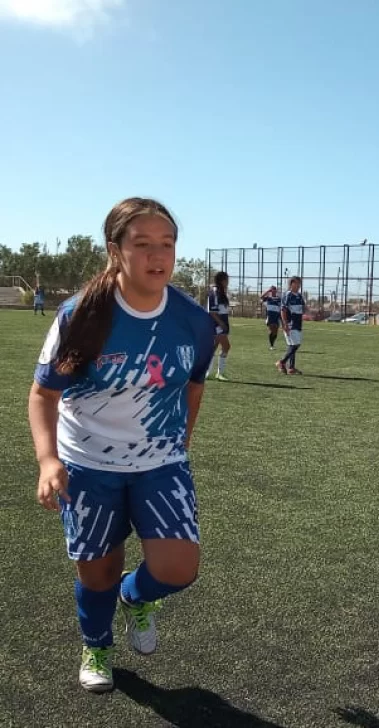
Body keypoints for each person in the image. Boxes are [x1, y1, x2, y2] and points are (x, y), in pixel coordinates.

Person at [27, 197, 216, 693]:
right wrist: (49, 461)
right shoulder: (83, 316)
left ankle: (137, 597)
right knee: (98, 572)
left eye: (168, 245)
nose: (158, 256)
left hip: (161, 461)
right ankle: (97, 645)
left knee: (178, 568)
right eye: (143, 244)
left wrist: (181, 442)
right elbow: (44, 393)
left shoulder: (193, 322)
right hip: (87, 464)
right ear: (115, 251)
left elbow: (194, 384)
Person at [277, 276, 305, 374]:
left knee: (292, 345)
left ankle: (291, 368)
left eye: (300, 283)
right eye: (297, 283)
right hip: (290, 323)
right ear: (291, 283)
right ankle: (281, 362)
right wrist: (285, 324)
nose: (299, 285)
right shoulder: (287, 295)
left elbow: (303, 308)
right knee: (296, 344)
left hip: (298, 323)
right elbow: (283, 310)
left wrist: (311, 314)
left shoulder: (299, 296)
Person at [207, 271, 231, 381]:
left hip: (223, 322)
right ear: (222, 280)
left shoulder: (222, 292)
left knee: (213, 348)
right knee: (226, 346)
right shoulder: (214, 291)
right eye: (226, 280)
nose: (228, 282)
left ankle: (207, 373)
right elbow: (212, 311)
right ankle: (218, 373)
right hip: (216, 324)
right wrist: (221, 323)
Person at [260, 285, 282, 350]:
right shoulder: (268, 298)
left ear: (276, 291)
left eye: (274, 290)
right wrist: (267, 291)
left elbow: (282, 306)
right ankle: (271, 346)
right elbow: (261, 297)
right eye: (271, 290)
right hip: (270, 317)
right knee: (272, 330)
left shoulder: (279, 299)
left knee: (275, 332)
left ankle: (272, 344)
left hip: (277, 317)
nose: (273, 291)